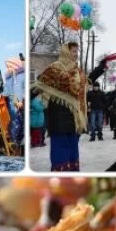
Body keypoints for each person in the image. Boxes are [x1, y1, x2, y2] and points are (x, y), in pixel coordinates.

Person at [35, 42, 87, 170]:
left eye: (77, 51)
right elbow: (40, 82)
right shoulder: (55, 67)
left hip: (73, 115)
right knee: (60, 148)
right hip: (58, 114)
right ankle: (61, 177)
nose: (76, 54)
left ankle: (72, 177)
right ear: (66, 52)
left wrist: (101, 68)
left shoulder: (78, 71)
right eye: (73, 51)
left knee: (73, 148)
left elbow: (84, 85)